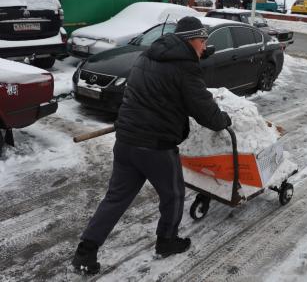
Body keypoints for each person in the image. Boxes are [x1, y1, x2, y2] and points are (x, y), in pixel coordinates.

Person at [71, 16, 231, 274]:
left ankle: (85, 252)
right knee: (174, 195)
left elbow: (144, 93)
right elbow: (205, 111)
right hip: (155, 146)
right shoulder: (185, 67)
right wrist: (223, 119)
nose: (204, 47)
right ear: (191, 40)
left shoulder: (147, 56)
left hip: (126, 140)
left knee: (116, 198)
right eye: (203, 41)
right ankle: (167, 241)